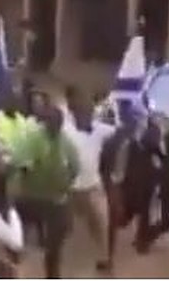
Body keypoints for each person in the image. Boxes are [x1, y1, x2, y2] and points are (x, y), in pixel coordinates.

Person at [13, 94, 79, 279]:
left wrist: (64, 184)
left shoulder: (66, 142)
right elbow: (23, 165)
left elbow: (76, 167)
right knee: (18, 232)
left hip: (57, 199)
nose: (54, 126)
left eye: (57, 122)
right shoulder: (34, 139)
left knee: (57, 242)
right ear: (45, 121)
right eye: (50, 121)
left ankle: (52, 273)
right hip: (33, 196)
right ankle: (16, 258)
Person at [63, 89, 114, 272]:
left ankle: (104, 259)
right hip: (72, 190)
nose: (89, 114)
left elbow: (119, 133)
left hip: (94, 187)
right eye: (84, 110)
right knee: (73, 229)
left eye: (90, 111)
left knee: (102, 222)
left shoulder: (99, 129)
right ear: (74, 111)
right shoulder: (65, 130)